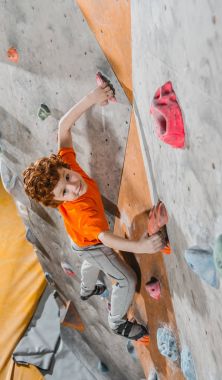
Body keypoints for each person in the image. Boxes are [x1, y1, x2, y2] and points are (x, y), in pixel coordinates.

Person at [23, 83, 164, 341]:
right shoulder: (84, 214)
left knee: (88, 261)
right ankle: (117, 322)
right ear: (58, 202)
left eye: (67, 177)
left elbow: (63, 127)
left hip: (78, 240)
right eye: (64, 192)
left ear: (64, 165)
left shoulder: (67, 160)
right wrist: (140, 246)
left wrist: (92, 97)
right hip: (90, 242)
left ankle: (87, 288)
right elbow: (106, 240)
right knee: (127, 280)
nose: (73, 186)